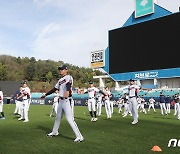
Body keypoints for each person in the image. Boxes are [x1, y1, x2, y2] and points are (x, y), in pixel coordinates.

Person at [41, 65, 83, 142]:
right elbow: (54, 89)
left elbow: (68, 85)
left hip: (67, 100)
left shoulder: (68, 77)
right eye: (60, 69)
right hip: (61, 101)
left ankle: (79, 136)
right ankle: (54, 132)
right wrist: (46, 94)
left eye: (62, 69)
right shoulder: (60, 80)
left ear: (66, 70)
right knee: (58, 117)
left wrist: (67, 92)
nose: (60, 70)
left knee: (70, 119)